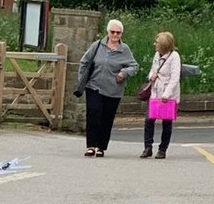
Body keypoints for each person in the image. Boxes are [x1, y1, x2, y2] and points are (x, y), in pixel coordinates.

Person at [74, 18, 139, 156]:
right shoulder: (97, 45)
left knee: (106, 118)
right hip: (94, 86)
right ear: (108, 32)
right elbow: (84, 62)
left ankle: (101, 147)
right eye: (113, 32)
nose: (115, 35)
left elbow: (134, 66)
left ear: (121, 34)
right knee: (93, 112)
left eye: (118, 33)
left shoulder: (124, 49)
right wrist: (82, 80)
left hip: (113, 90)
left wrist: (124, 72)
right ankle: (91, 145)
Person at [140, 31, 182, 159]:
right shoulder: (156, 55)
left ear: (164, 45)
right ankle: (148, 147)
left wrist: (167, 93)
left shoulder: (174, 57)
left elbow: (175, 77)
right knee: (149, 119)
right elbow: (153, 69)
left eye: (157, 43)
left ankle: (162, 149)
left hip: (168, 95)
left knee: (167, 122)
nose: (155, 44)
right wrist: (150, 76)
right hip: (155, 91)